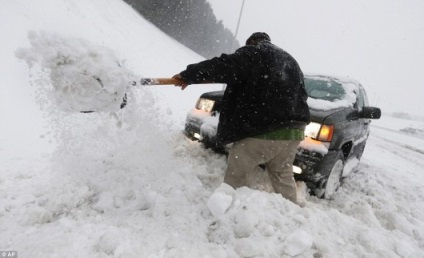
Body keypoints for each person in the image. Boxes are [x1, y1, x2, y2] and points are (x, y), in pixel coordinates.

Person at [173, 32, 310, 204]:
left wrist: (189, 75)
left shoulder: (255, 52)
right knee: (282, 175)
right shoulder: (290, 61)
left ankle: (227, 210)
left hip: (265, 131)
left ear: (252, 42)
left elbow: (225, 66)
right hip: (293, 133)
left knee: (237, 175)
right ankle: (291, 213)